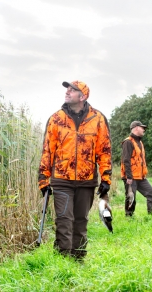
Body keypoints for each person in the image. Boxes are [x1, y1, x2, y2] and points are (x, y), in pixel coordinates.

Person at [38, 80, 112, 260]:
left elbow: (104, 150)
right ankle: (64, 260)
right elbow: (48, 150)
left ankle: (78, 259)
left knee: (81, 221)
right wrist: (43, 179)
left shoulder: (98, 119)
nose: (68, 91)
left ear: (83, 96)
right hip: (61, 179)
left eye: (72, 90)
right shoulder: (56, 118)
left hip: (87, 180)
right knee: (64, 219)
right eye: (67, 89)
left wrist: (106, 179)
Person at [121, 121, 152, 216]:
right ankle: (129, 218)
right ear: (136, 128)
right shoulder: (128, 142)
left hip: (141, 177)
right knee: (131, 198)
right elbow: (126, 160)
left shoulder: (140, 142)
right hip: (130, 177)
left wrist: (143, 174)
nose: (144, 130)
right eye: (142, 128)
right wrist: (129, 177)